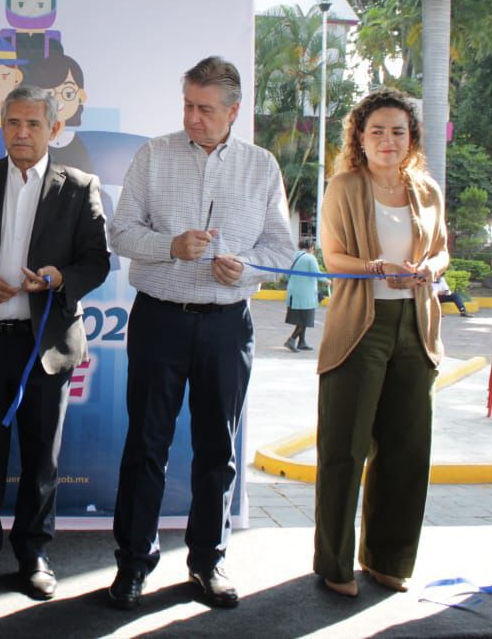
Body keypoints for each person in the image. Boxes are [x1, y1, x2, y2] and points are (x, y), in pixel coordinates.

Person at [107, 57, 293, 610]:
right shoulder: (153, 155)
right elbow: (120, 233)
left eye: (205, 109)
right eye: (188, 105)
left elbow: (281, 250)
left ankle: (207, 561)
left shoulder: (261, 166)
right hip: (159, 319)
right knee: (146, 444)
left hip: (226, 325)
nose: (192, 117)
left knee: (218, 448)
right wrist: (170, 246)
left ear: (233, 112)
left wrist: (247, 268)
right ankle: (133, 563)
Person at [0, 85, 109, 601]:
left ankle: (33, 553)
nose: (23, 133)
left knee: (40, 458)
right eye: (13, 123)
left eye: (33, 124)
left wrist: (58, 278)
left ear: (54, 129)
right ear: (2, 127)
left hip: (44, 347)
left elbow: (96, 262)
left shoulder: (79, 187)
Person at [311, 89, 448, 598]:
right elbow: (333, 258)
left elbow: (441, 252)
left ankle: (388, 560)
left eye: (398, 132)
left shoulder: (427, 190)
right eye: (378, 131)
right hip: (360, 326)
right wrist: (377, 268)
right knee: (344, 448)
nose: (389, 141)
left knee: (406, 449)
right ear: (360, 138)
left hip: (416, 326)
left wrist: (429, 268)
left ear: (411, 138)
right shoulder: (345, 186)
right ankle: (335, 564)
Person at [284, 237, 322, 351]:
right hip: (306, 294)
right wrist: (327, 281)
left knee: (301, 318)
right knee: (304, 319)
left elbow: (286, 275)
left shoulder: (293, 256)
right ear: (311, 247)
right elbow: (316, 273)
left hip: (293, 292)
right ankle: (291, 340)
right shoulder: (310, 258)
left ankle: (302, 342)